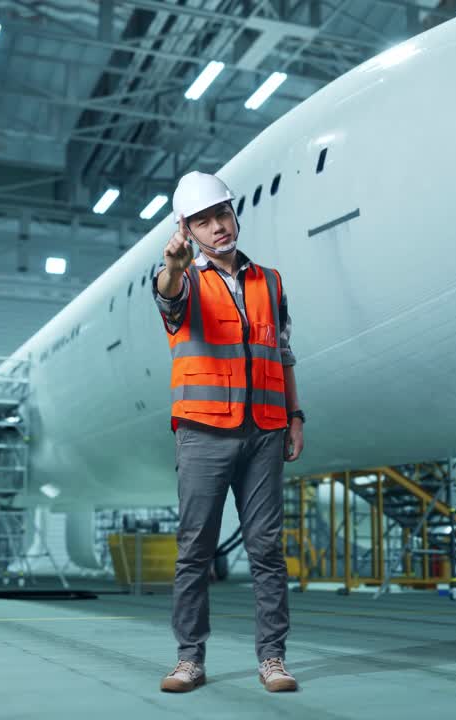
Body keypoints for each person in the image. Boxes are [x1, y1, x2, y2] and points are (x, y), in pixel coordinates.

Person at [151, 171, 306, 694]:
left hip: (264, 428)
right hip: (204, 430)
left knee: (267, 549)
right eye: (203, 221)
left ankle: (273, 659)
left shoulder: (271, 282)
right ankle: (189, 659)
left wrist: (295, 416)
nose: (217, 227)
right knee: (195, 549)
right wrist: (172, 270)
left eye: (223, 214)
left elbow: (282, 353)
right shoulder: (182, 278)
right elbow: (170, 303)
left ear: (234, 215)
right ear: (187, 230)